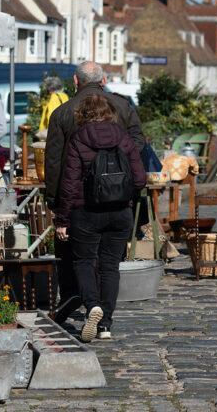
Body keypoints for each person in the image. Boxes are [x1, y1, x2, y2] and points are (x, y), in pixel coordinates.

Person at [45, 61, 145, 322]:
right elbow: (138, 143)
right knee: (110, 262)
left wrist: (56, 203)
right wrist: (119, 175)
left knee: (79, 259)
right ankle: (104, 317)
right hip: (118, 200)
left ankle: (80, 301)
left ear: (75, 82)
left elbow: (55, 163)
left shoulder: (63, 112)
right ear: (103, 81)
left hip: (80, 200)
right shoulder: (122, 107)